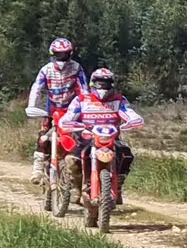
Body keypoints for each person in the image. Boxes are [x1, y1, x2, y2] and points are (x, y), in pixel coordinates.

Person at [55, 67, 145, 203]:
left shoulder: (119, 100)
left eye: (106, 83)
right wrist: (70, 124)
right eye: (99, 83)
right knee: (72, 161)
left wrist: (134, 121)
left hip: (111, 139)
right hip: (86, 138)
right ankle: (77, 187)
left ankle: (118, 185)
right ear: (92, 83)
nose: (102, 86)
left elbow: (129, 113)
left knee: (126, 155)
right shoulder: (81, 100)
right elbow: (68, 116)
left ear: (112, 84)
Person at [25, 38, 85, 180]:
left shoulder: (76, 68)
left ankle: (81, 172)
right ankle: (37, 169)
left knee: (82, 137)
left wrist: (87, 107)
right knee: (43, 136)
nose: (61, 58)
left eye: (64, 54)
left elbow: (84, 89)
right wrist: (32, 105)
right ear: (52, 54)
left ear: (70, 54)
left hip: (73, 110)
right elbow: (36, 88)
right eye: (58, 54)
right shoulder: (46, 70)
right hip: (52, 110)